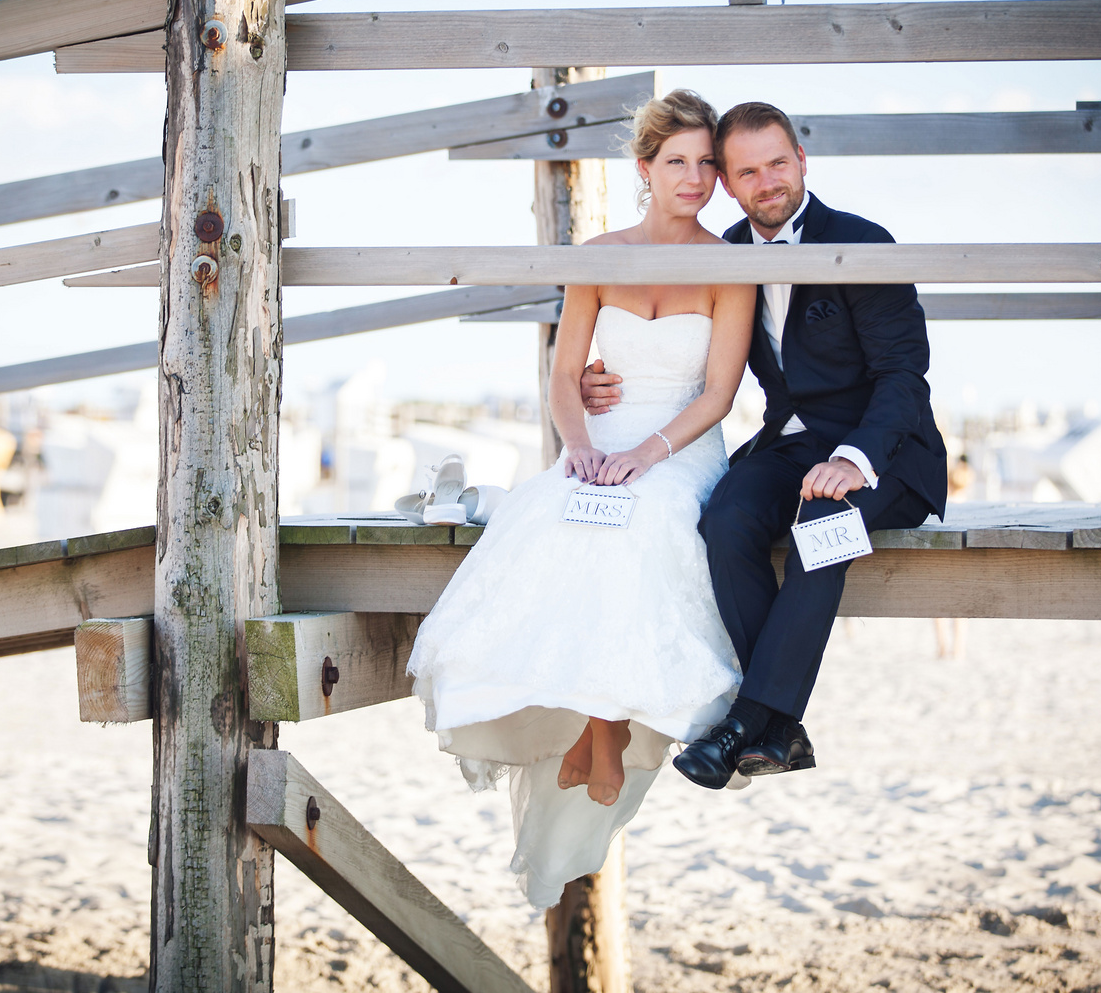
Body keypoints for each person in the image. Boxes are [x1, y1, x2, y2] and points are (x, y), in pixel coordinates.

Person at [406, 91, 755, 907]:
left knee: (647, 522)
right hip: (601, 441)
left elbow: (719, 393)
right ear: (645, 169)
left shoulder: (728, 263)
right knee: (553, 515)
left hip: (679, 445)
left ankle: (601, 733)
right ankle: (599, 728)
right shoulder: (596, 255)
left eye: (708, 163)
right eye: (679, 162)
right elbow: (565, 379)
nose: (697, 178)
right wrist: (583, 450)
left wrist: (643, 453)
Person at [581, 101, 948, 790]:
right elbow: (694, 351)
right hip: (791, 445)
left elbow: (904, 376)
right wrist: (601, 378)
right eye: (748, 171)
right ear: (729, 183)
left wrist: (854, 460)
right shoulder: (727, 257)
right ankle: (776, 729)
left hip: (887, 452)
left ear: (801, 161)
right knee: (726, 518)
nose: (767, 181)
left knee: (823, 527)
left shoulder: (860, 242)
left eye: (778, 163)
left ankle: (745, 723)